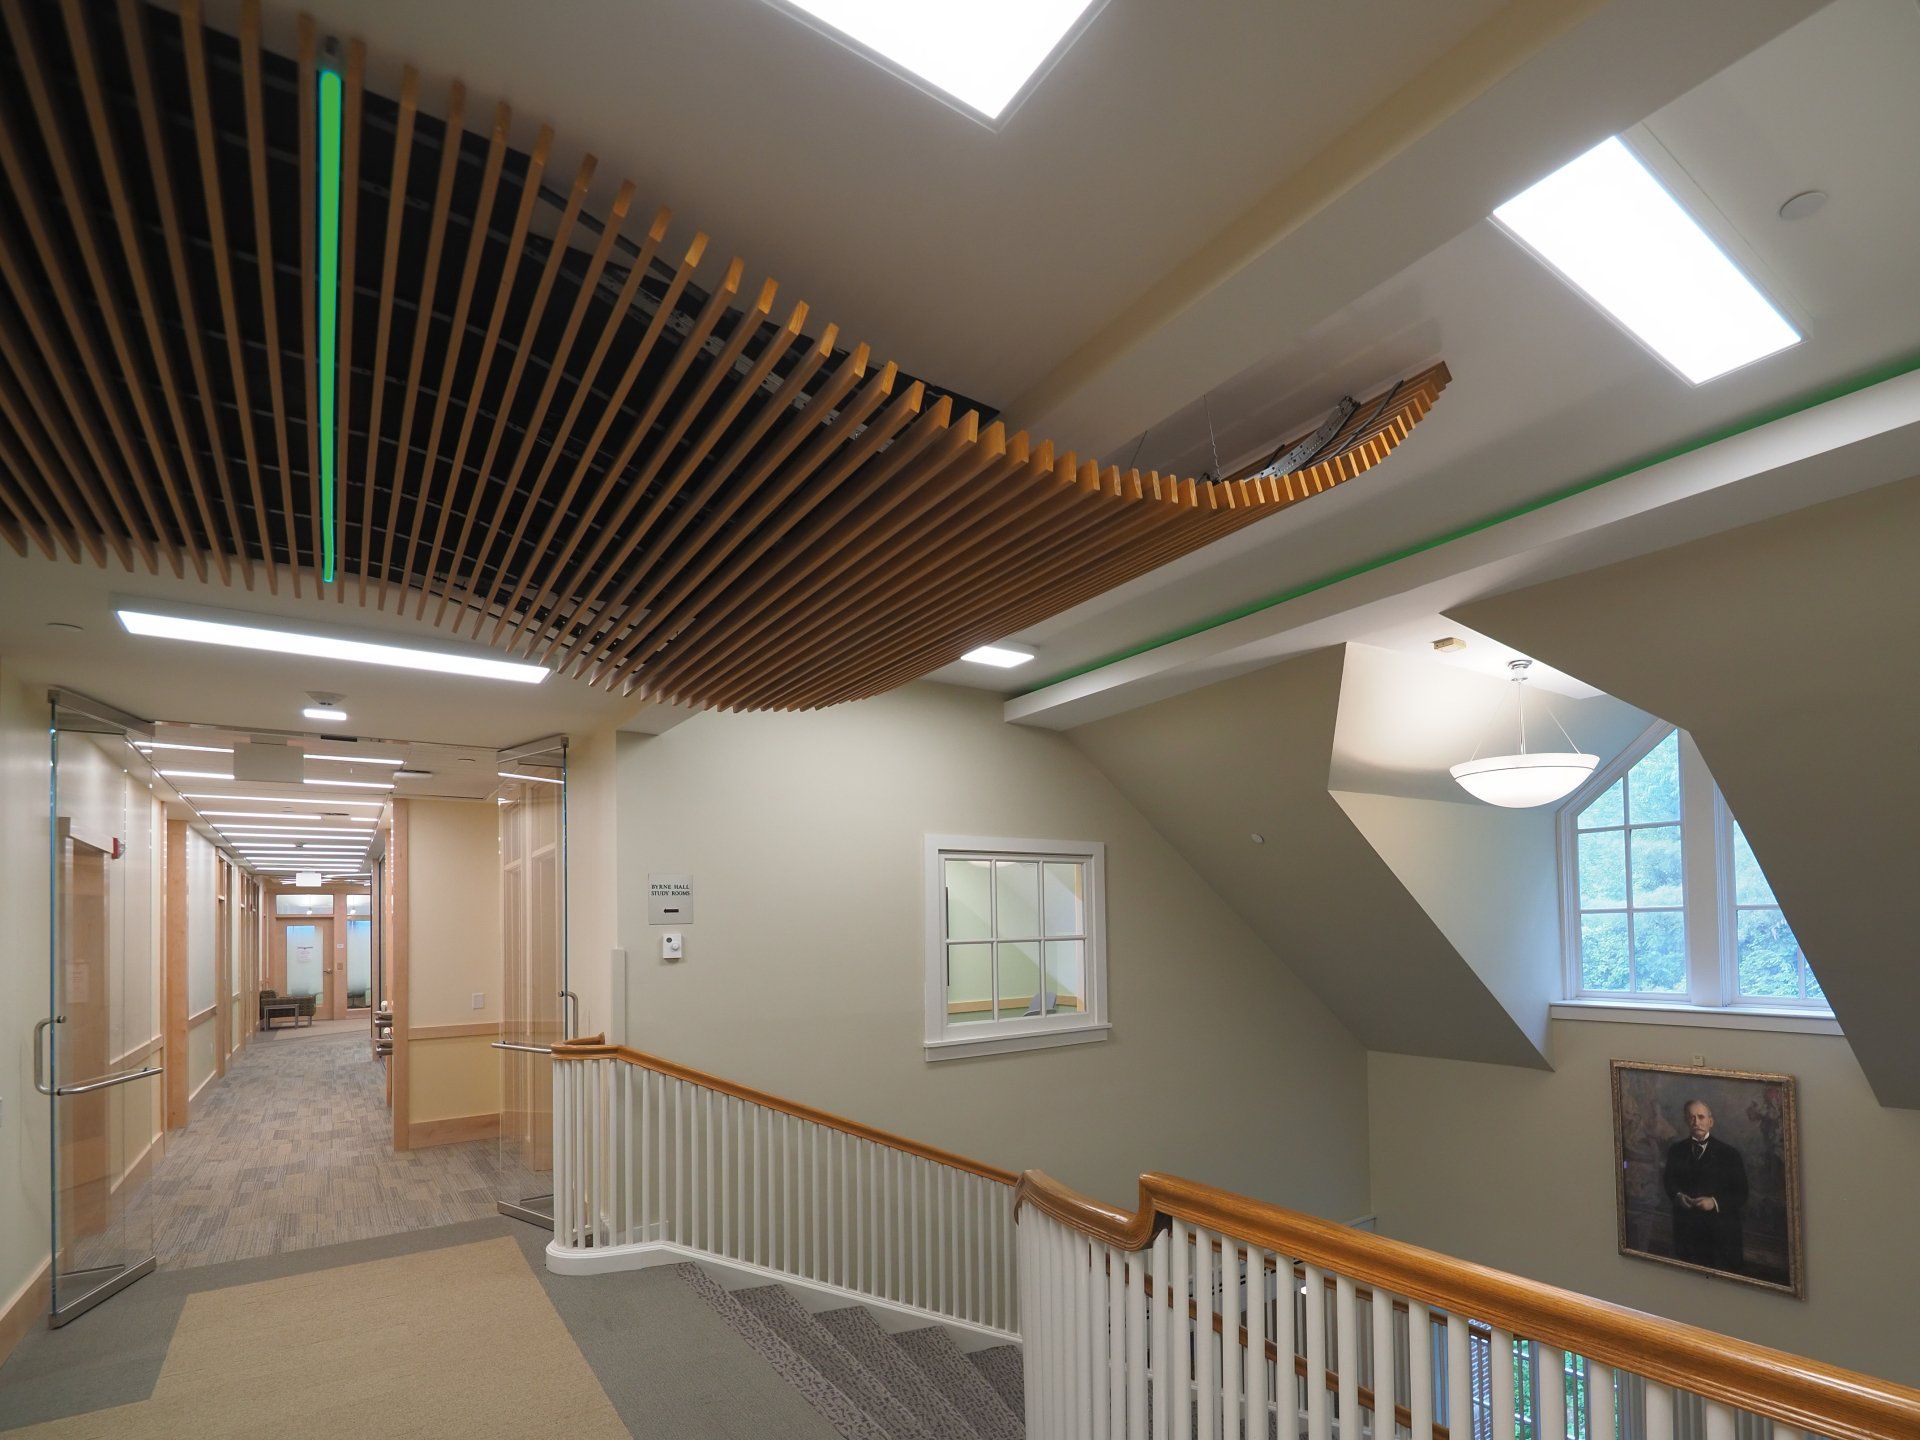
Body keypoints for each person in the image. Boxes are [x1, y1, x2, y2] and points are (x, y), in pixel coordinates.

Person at [1662, 1099, 1749, 1272]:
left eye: (1701, 1117)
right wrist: (1678, 1197)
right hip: (1686, 1233)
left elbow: (1742, 1193)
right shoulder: (1676, 1151)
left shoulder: (1729, 1154)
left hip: (1720, 1235)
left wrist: (1714, 1202)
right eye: (1691, 1117)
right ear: (1687, 1121)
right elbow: (1668, 1182)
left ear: (1711, 1121)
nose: (1696, 1122)